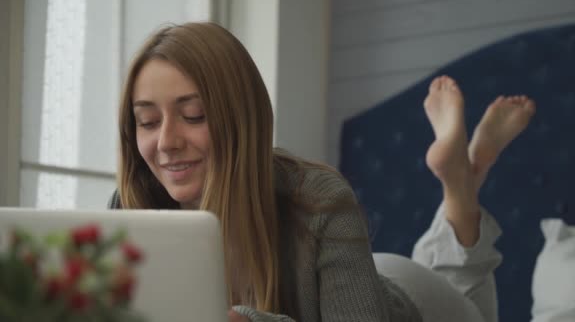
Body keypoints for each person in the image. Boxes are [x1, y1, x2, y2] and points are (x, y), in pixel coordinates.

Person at [107, 22, 536, 322]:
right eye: (146, 121)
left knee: (466, 293)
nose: (165, 141)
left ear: (241, 118)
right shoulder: (131, 207)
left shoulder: (318, 197)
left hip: (418, 304)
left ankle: (460, 184)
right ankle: (468, 169)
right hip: (361, 272)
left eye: (194, 116)